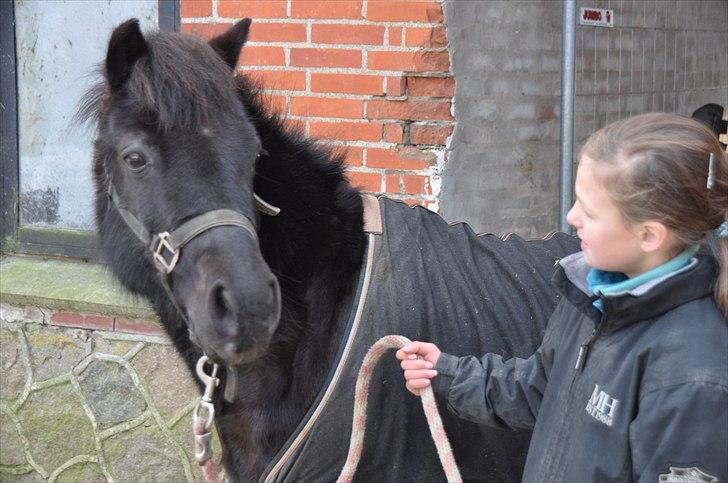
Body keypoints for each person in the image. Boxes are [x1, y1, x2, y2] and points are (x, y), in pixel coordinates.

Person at [396, 113, 728, 482]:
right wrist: (448, 372)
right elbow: (539, 388)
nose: (571, 217)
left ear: (649, 236)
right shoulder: (593, 298)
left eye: (588, 210)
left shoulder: (694, 378)